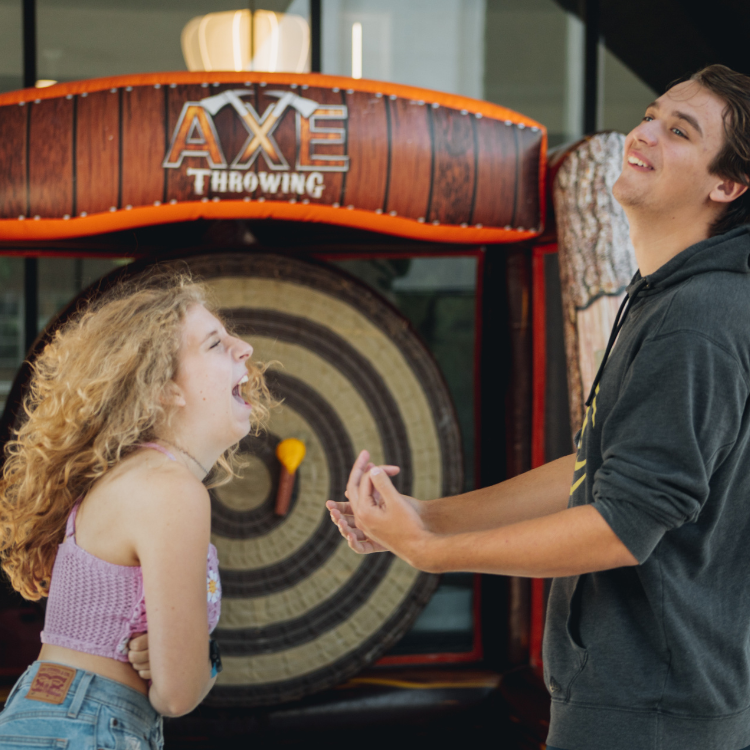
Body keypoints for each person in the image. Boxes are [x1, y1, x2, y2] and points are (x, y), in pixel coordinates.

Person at [328, 64, 750, 750]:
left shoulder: (698, 316)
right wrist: (423, 518)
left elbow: (622, 525)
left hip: (650, 716)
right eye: (651, 114)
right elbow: (595, 471)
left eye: (680, 131)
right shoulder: (674, 297)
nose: (645, 132)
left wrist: (438, 554)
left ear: (726, 185)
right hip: (637, 703)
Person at [0, 274, 274, 748]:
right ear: (164, 387)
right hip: (89, 724)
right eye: (215, 344)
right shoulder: (172, 491)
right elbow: (177, 693)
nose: (245, 347)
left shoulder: (132, 478)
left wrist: (172, 653)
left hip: (53, 712)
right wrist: (203, 660)